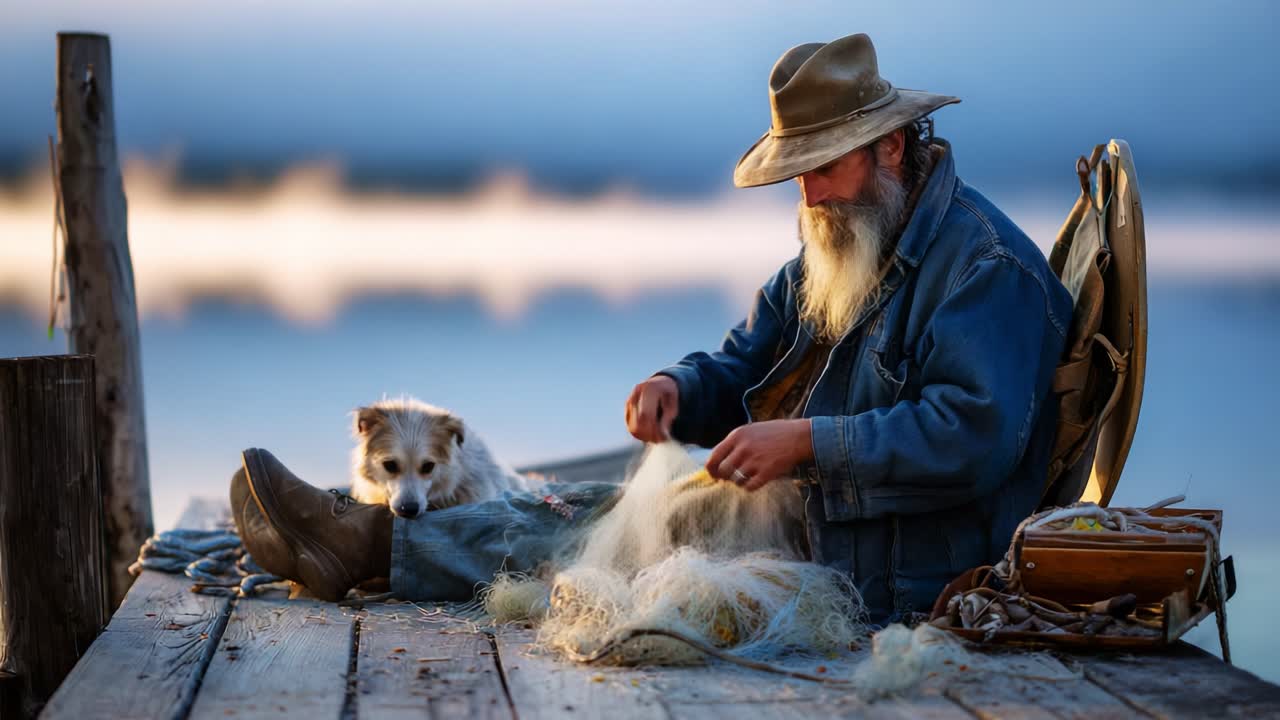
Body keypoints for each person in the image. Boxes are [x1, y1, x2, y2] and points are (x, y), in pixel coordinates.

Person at [232, 32, 1072, 623]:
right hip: (816, 517)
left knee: (586, 539)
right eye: (797, 176)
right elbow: (747, 356)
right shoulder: (857, 235)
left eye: (821, 169)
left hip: (893, 566)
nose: (807, 198)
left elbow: (974, 435)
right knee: (586, 510)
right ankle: (364, 538)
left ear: (890, 148)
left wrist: (809, 442)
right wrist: (679, 387)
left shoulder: (981, 270)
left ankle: (364, 546)